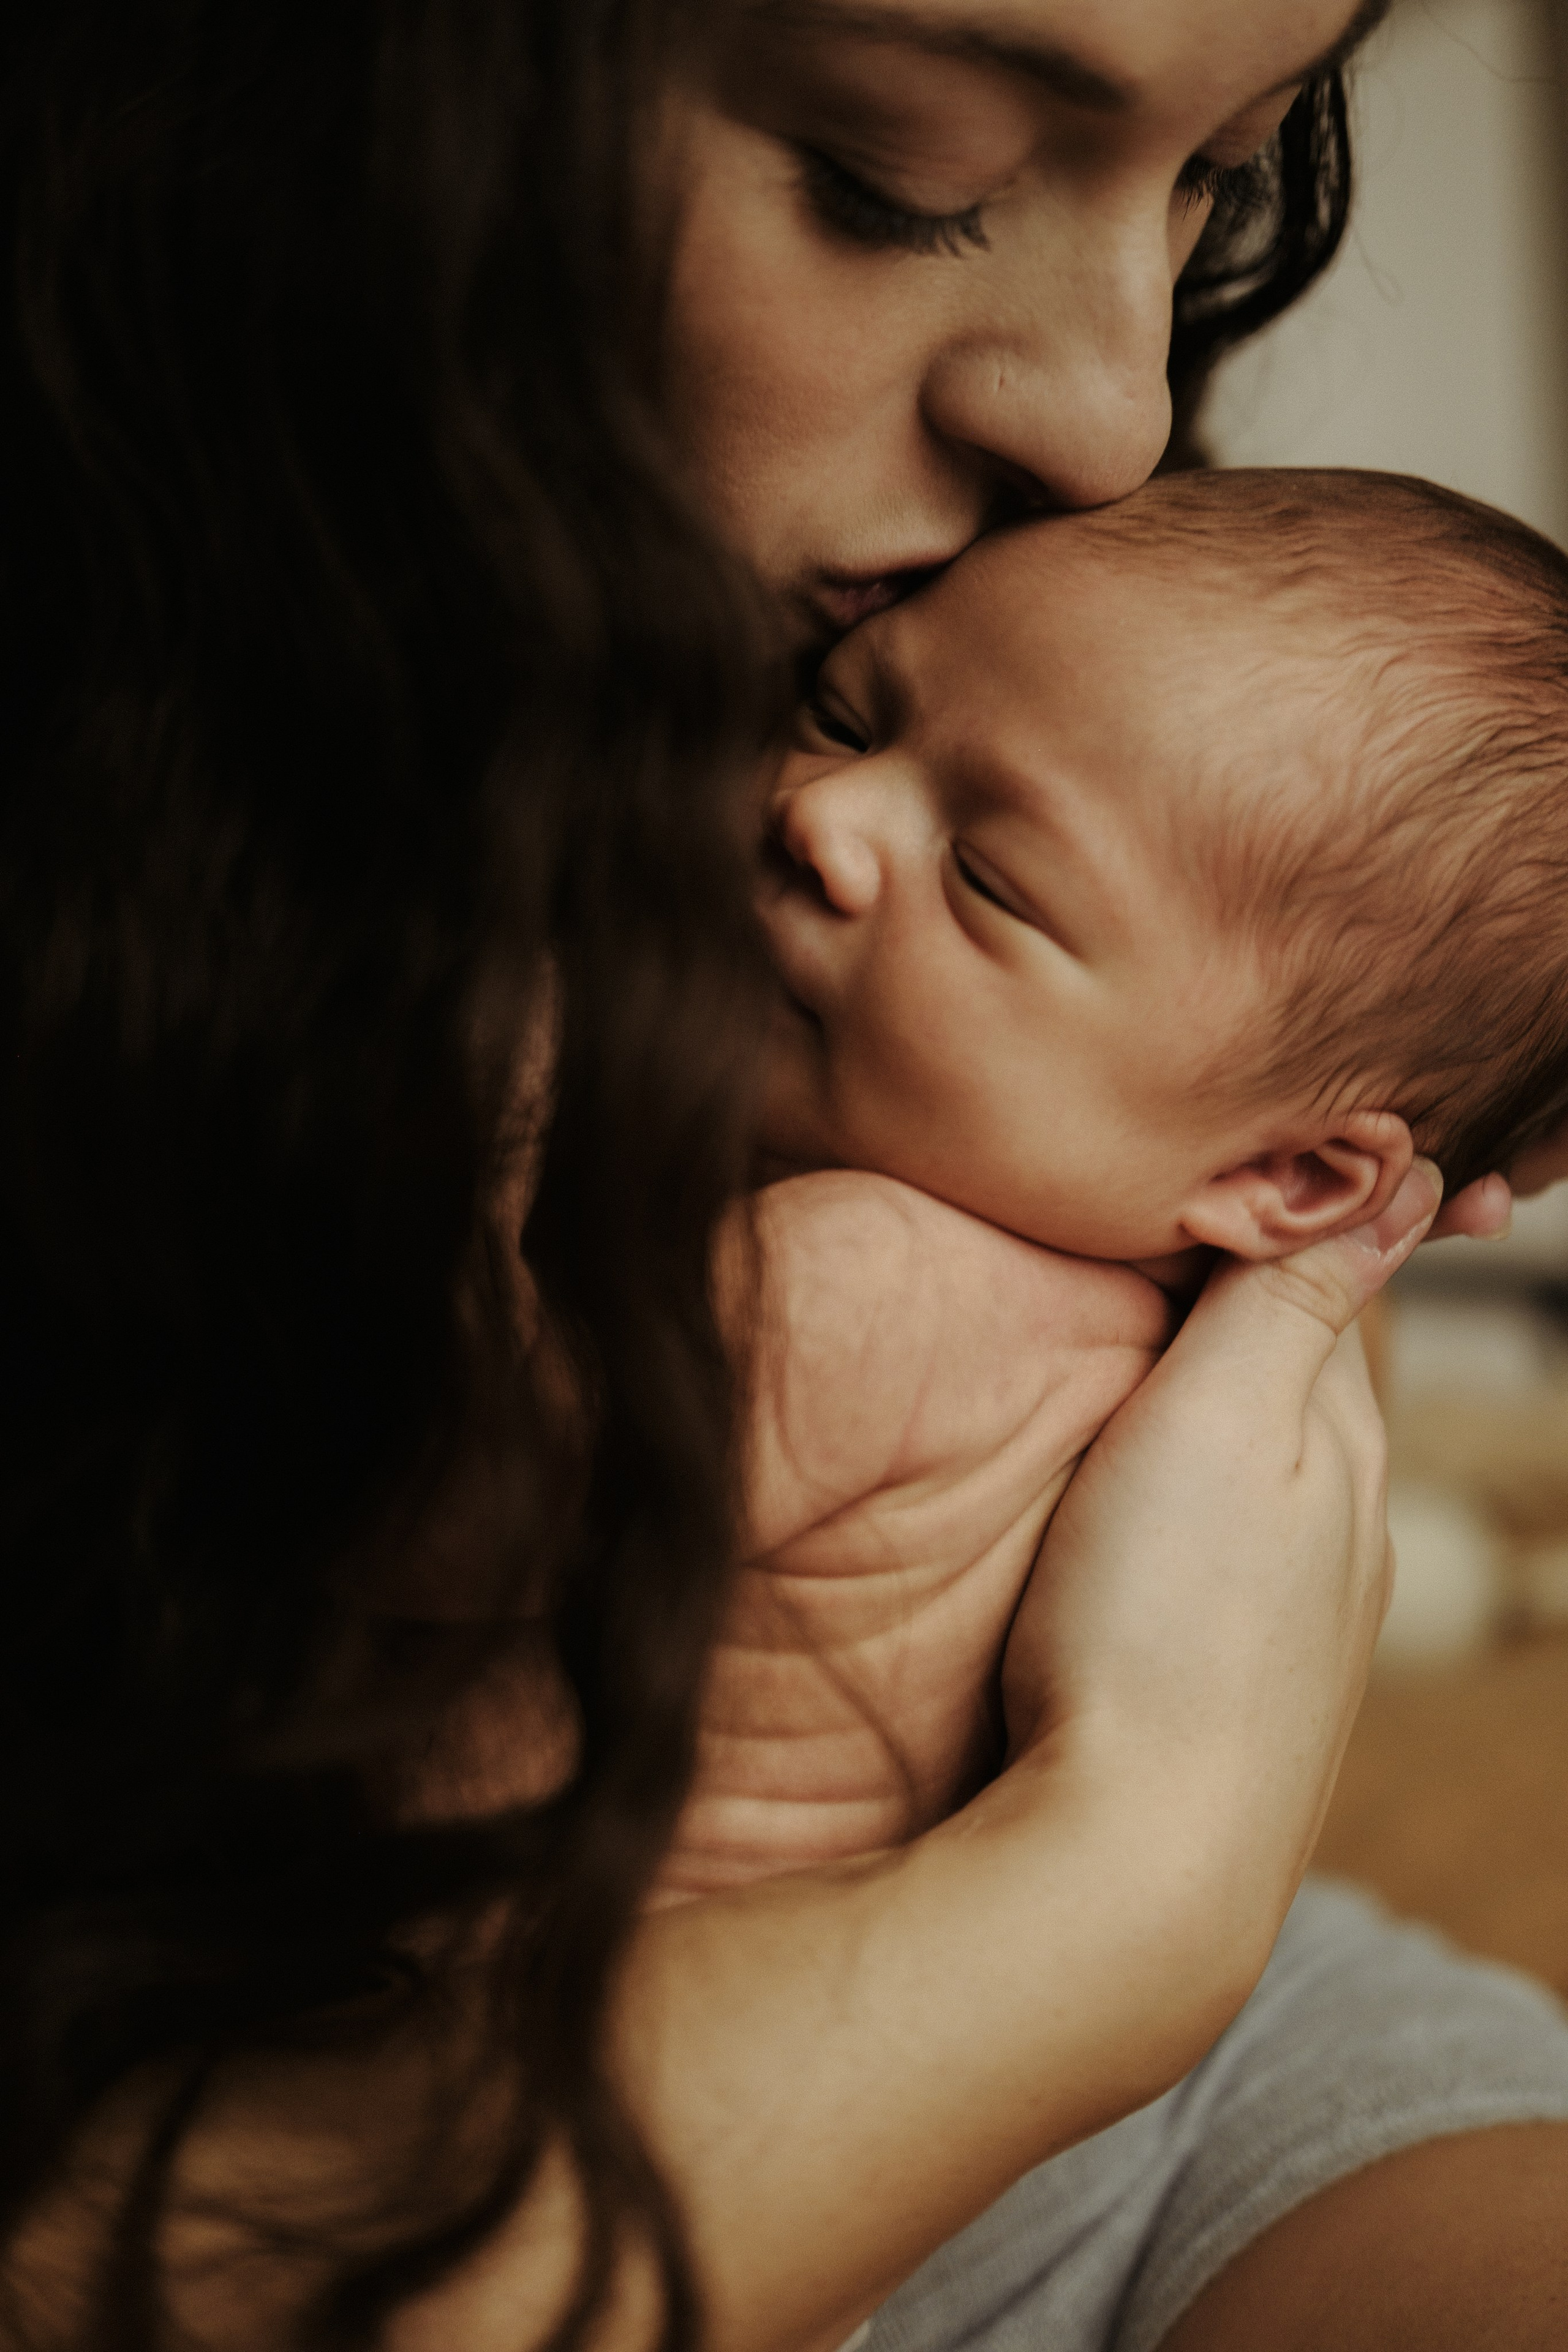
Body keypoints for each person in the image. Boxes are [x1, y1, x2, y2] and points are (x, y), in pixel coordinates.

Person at [1, 9, 1561, 2352]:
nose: (1121, 418)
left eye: (1219, 184)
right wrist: (1124, 1888)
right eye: (893, 172)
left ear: (1297, 1169)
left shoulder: (891, 1245)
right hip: (646, 2112)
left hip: (1081, 2088)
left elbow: (461, 1496)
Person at [666, 463, 1568, 1892]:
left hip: (690, 1993)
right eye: (841, 715)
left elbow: (405, 1510)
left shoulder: (869, 1281)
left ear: (1294, 1176)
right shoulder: (1152, 1282)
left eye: (990, 883)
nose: (823, 816)